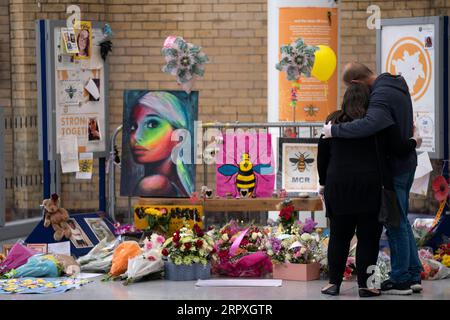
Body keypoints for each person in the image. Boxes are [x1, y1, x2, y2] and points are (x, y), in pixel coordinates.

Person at [322, 62, 423, 295]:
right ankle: (410, 274)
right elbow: (397, 139)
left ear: (355, 84)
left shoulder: (379, 96)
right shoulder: (395, 85)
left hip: (392, 170)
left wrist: (334, 131)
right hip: (402, 165)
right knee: (396, 224)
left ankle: (400, 280)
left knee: (394, 223)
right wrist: (412, 142)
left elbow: (371, 124)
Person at [128, 91, 194, 197]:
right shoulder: (182, 187)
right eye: (133, 126)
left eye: (152, 124)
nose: (136, 136)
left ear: (179, 138)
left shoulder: (154, 184)